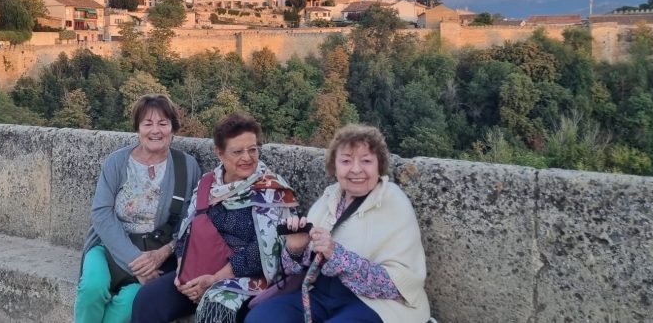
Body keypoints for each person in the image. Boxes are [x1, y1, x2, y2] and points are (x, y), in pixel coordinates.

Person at [246, 124, 431, 323]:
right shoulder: (329, 198)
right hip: (320, 294)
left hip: (375, 303)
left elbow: (398, 286)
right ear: (334, 167)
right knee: (260, 318)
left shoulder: (394, 203)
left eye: (366, 161)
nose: (356, 169)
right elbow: (295, 270)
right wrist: (295, 249)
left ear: (380, 165)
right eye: (346, 161)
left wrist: (337, 255)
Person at [132, 112, 298, 323]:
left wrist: (215, 279)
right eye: (237, 151)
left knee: (216, 309)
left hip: (245, 278)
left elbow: (264, 251)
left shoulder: (272, 190)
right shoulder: (207, 184)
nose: (247, 157)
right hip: (198, 271)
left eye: (252, 149)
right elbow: (187, 231)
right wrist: (183, 272)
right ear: (219, 153)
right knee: (148, 299)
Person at [75, 94, 203, 323]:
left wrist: (163, 253)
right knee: (91, 290)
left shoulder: (187, 166)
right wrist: (135, 261)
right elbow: (101, 213)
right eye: (148, 123)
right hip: (108, 246)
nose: (156, 131)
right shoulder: (117, 162)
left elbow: (190, 223)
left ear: (173, 128)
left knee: (130, 304)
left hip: (156, 254)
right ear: (138, 128)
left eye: (163, 123)